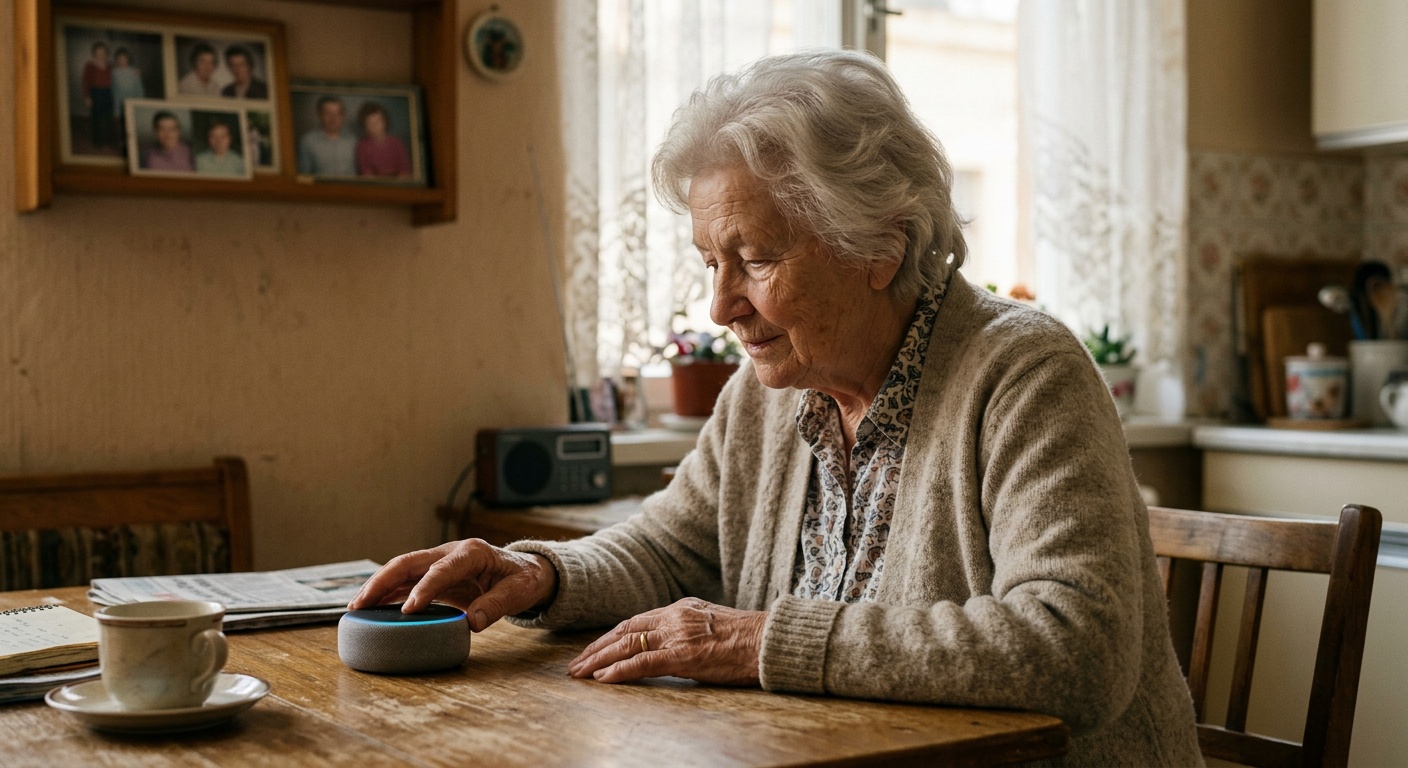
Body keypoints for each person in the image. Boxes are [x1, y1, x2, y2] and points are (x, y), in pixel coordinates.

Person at [351, 50, 1203, 766]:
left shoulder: (1023, 372)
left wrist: (759, 642)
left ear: (879, 247)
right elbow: (669, 548)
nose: (721, 306)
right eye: (708, 262)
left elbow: (1074, 650)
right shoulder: (768, 396)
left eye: (752, 258)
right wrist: (541, 573)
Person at [297, 96, 357, 176]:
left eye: (337, 113)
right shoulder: (308, 142)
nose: (333, 118)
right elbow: (304, 177)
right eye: (328, 113)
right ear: (319, 114)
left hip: (349, 188)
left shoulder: (353, 141)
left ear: (343, 115)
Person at [354, 102, 411, 179]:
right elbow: (366, 174)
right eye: (370, 123)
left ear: (384, 122)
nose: (374, 126)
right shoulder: (362, 146)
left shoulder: (397, 143)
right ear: (364, 126)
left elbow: (405, 171)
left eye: (377, 121)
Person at [80, 41, 114, 150]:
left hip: (108, 93)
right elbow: (85, 82)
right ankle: (97, 142)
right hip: (96, 93)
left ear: (106, 53)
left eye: (103, 53)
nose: (101, 55)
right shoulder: (89, 66)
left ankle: (109, 142)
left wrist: (136, 72)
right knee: (96, 119)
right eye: (98, 53)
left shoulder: (110, 66)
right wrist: (87, 97)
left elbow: (120, 75)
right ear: (94, 54)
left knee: (109, 119)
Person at [110, 47, 144, 146]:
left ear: (128, 59)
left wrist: (140, 101)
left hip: (133, 101)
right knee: (121, 123)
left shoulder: (134, 71)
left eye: (125, 59)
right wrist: (115, 104)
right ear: (116, 60)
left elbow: (139, 87)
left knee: (132, 123)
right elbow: (113, 88)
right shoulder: (114, 72)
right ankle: (122, 142)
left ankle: (132, 142)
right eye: (120, 59)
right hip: (119, 102)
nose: (123, 61)